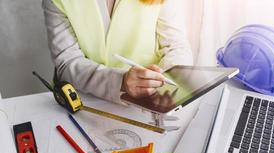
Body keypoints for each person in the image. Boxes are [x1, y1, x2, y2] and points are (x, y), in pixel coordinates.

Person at [42, 0, 193, 104]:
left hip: (148, 104)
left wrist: (164, 82)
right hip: (84, 103)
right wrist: (119, 82)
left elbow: (176, 46)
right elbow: (67, 63)